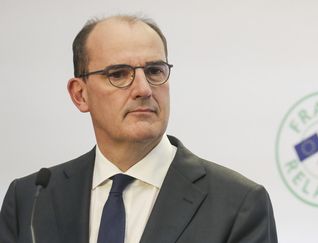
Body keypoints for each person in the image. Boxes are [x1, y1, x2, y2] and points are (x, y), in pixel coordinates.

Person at [0, 15, 278, 243]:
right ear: (80, 94)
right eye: (118, 74)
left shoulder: (238, 203)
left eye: (155, 71)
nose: (144, 89)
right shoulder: (31, 200)